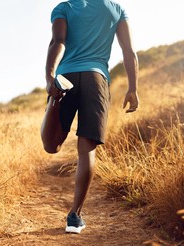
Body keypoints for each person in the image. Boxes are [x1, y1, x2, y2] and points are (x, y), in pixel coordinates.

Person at [42, 0, 139, 234]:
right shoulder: (116, 9)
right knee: (87, 149)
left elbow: (58, 41)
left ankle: (56, 100)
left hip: (66, 76)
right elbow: (129, 51)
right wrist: (133, 89)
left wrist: (49, 77)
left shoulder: (64, 8)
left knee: (51, 145)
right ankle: (74, 216)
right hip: (96, 79)